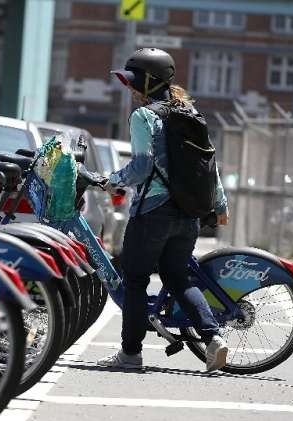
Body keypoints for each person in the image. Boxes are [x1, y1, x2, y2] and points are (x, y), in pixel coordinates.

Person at [92, 48, 230, 372]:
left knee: (135, 278)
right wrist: (220, 205)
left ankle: (130, 354)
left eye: (132, 83)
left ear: (147, 83)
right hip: (188, 214)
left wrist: (110, 181)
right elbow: (210, 167)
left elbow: (141, 167)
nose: (130, 89)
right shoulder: (190, 113)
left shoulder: (144, 116)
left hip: (153, 211)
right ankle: (213, 338)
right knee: (177, 276)